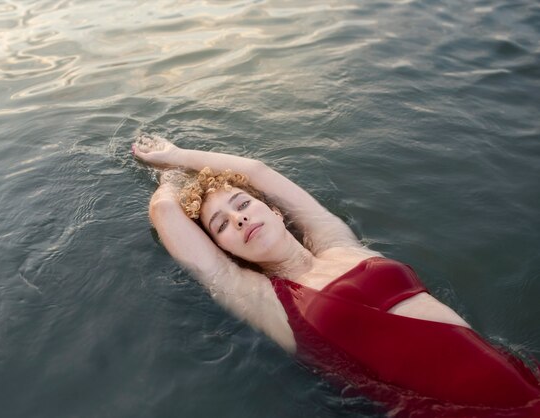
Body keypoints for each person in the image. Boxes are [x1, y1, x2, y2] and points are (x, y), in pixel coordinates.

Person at [133, 134, 540, 417]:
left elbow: (257, 171)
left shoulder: (337, 241)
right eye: (221, 225)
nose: (238, 218)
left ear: (273, 211)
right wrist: (169, 178)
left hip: (521, 383)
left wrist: (179, 155)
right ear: (225, 250)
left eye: (242, 204)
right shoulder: (262, 298)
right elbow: (166, 214)